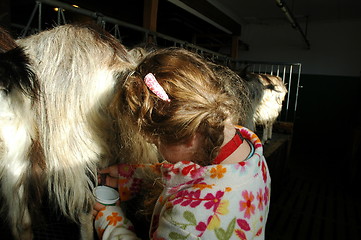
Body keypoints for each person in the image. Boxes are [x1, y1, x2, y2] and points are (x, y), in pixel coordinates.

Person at [93, 47, 271, 239]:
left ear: (188, 138)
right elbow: (196, 173)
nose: (157, 148)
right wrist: (133, 176)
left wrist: (109, 219)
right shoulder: (251, 155)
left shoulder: (187, 224)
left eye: (156, 143)